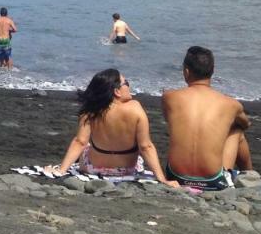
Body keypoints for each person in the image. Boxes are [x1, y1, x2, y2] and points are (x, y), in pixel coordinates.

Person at [47, 69, 179, 186]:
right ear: (117, 91)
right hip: (127, 170)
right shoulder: (135, 108)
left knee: (86, 147)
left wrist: (61, 170)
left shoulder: (92, 110)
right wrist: (162, 179)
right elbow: (146, 147)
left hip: (93, 168)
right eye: (126, 83)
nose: (129, 85)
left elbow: (79, 142)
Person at [161, 46, 253, 190]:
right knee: (237, 132)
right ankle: (250, 176)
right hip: (212, 181)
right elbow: (246, 124)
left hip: (176, 177)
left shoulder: (169, 97)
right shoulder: (231, 104)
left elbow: (169, 119)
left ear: (186, 72)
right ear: (212, 71)